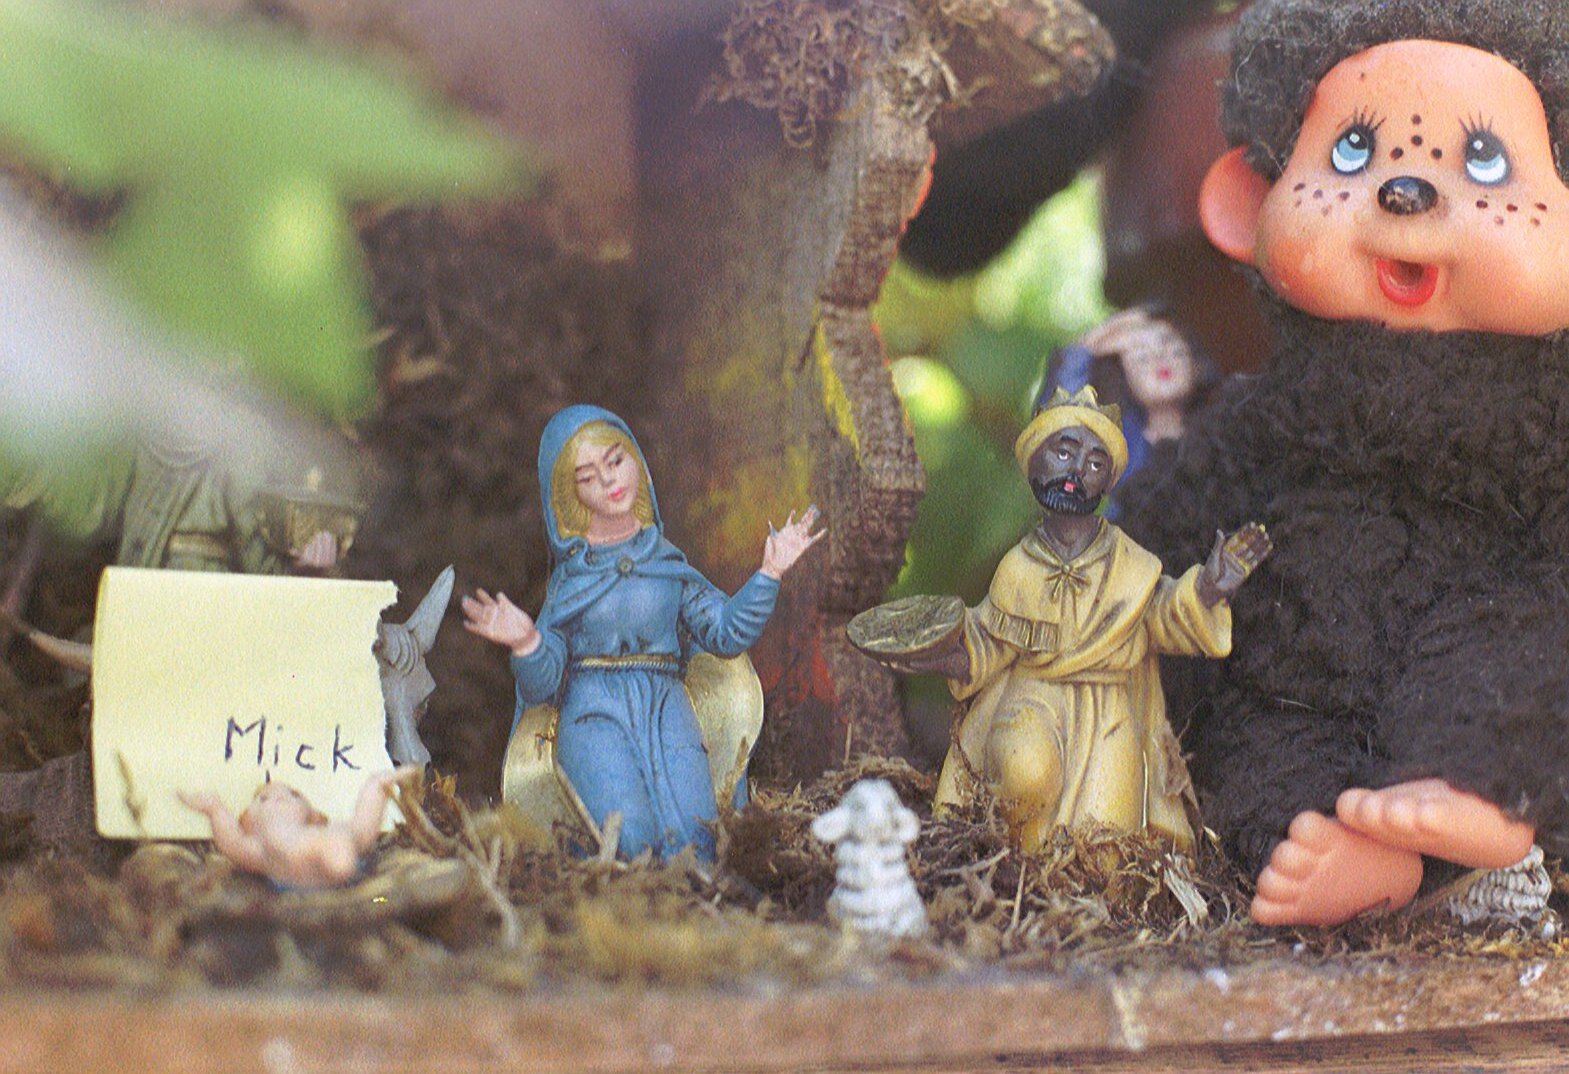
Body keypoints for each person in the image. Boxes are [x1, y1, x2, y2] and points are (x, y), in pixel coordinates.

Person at [911, 386, 1270, 853]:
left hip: (1109, 716)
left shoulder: (1129, 563)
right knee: (1023, 772)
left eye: (1096, 463)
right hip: (1033, 698)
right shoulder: (1017, 568)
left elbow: (1161, 616)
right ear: (1034, 462)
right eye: (1064, 452)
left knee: (1105, 847)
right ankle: (1013, 871)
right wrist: (943, 653)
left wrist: (1207, 587)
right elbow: (987, 643)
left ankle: (1076, 889)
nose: (1077, 471)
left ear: (1107, 483)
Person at [461, 405, 823, 861]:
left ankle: (703, 904)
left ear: (637, 462)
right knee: (630, 840)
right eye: (587, 476)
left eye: (615, 460)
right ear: (570, 497)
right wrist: (527, 642)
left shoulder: (667, 563)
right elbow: (543, 687)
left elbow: (726, 633)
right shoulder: (572, 583)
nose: (609, 480)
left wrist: (769, 572)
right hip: (593, 716)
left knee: (696, 838)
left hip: (667, 708)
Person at [1043, 305, 1220, 509]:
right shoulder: (1122, 451)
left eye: (1173, 348)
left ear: (1196, 364)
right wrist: (1092, 344)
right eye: (1142, 357)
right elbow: (1061, 420)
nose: (1160, 358)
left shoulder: (1222, 433)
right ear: (1126, 380)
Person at [179, 767, 417, 889]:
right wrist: (214, 809)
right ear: (248, 822)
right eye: (264, 799)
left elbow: (363, 828)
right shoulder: (258, 850)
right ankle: (337, 861)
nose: (279, 797)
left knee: (352, 834)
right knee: (338, 846)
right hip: (291, 866)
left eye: (294, 795)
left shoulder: (326, 831)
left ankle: (337, 858)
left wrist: (376, 786)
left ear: (315, 816)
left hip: (335, 850)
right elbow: (231, 842)